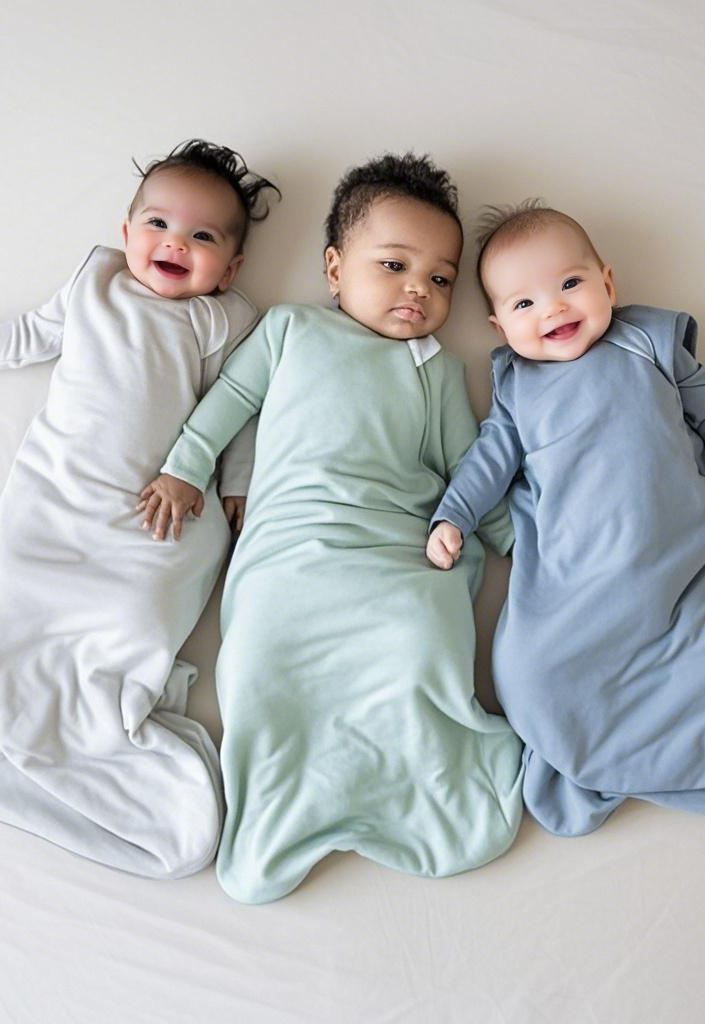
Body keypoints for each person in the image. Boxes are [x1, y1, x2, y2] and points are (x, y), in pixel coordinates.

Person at [140, 153, 524, 904]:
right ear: (335, 268)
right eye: (395, 265)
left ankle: (412, 784)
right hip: (289, 553)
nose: (419, 288)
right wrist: (187, 465)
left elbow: (470, 474)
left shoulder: (436, 369)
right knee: (255, 663)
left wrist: (523, 545)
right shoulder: (291, 330)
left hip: (395, 555)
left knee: (418, 646)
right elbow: (230, 401)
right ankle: (284, 804)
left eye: (441, 278)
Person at [0, 140, 279, 877]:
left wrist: (234, 483)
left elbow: (237, 409)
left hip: (156, 512)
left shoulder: (221, 320)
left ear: (231, 269)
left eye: (203, 236)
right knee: (7, 569)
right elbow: (36, 333)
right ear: (127, 231)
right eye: (159, 224)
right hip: (60, 490)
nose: (176, 243)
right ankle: (27, 682)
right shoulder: (96, 284)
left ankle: (116, 698)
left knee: (140, 609)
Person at [427, 201, 705, 836]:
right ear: (499, 326)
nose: (554, 309)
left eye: (570, 283)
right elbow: (489, 461)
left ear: (607, 283)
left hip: (678, 551)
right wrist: (454, 515)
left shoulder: (646, 341)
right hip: (577, 577)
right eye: (525, 303)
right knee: (525, 669)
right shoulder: (517, 386)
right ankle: (590, 754)